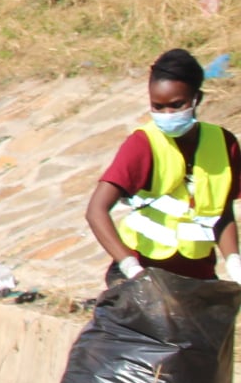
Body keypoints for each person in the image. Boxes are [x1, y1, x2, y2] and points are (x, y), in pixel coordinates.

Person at [86, 49, 241, 287]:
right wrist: (130, 267)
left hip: (197, 274)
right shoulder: (143, 144)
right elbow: (96, 210)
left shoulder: (223, 143)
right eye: (157, 107)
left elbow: (223, 212)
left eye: (176, 105)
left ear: (196, 98)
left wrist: (233, 261)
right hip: (144, 271)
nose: (167, 114)